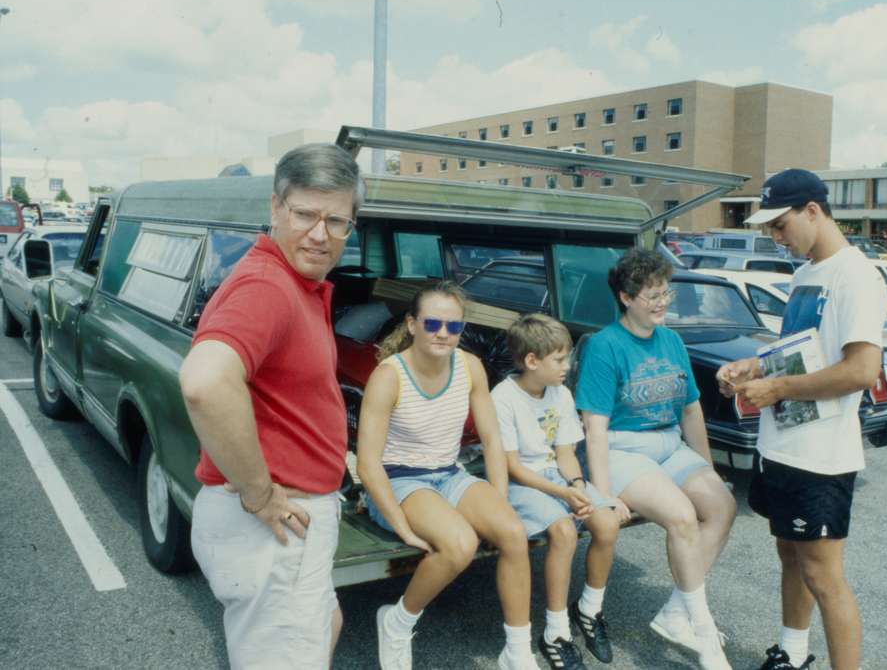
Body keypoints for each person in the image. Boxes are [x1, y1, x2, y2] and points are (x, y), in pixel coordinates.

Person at [179, 143, 364, 668]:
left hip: (291, 527)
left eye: (337, 221)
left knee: (325, 621)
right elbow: (205, 382)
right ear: (276, 209)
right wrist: (260, 495)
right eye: (305, 214)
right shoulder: (267, 286)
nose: (320, 234)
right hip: (274, 526)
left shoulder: (295, 283)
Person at [718, 168, 887, 670]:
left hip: (821, 456)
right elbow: (801, 350)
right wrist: (754, 365)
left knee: (824, 574)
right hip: (781, 445)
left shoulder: (855, 276)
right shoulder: (805, 273)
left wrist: (777, 387)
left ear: (813, 211)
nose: (775, 237)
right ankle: (791, 653)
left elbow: (860, 370)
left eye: (780, 225)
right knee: (789, 554)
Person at [356, 282, 538, 670]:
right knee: (460, 543)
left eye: (453, 327)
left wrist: (499, 496)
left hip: (449, 473)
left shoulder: (470, 366)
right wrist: (401, 525)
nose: (443, 333)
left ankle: (518, 652)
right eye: (433, 323)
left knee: (513, 532)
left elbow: (492, 440)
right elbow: (368, 463)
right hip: (398, 479)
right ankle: (398, 620)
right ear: (412, 324)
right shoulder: (389, 376)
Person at [575, 248, 737, 670]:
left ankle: (674, 613)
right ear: (626, 298)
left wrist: (707, 467)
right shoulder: (604, 346)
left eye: (666, 293)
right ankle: (702, 632)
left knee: (721, 506)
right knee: (682, 517)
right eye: (652, 295)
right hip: (624, 447)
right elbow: (594, 428)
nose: (663, 302)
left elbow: (690, 409)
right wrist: (605, 493)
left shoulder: (671, 340)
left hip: (669, 443)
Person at [493, 314, 621, 670]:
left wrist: (577, 487)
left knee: (607, 523)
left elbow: (565, 453)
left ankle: (590, 611)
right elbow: (513, 467)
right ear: (532, 361)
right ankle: (555, 632)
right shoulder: (503, 397)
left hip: (556, 478)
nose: (568, 366)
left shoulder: (561, 393)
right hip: (521, 483)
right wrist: (563, 495)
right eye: (560, 359)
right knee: (564, 531)